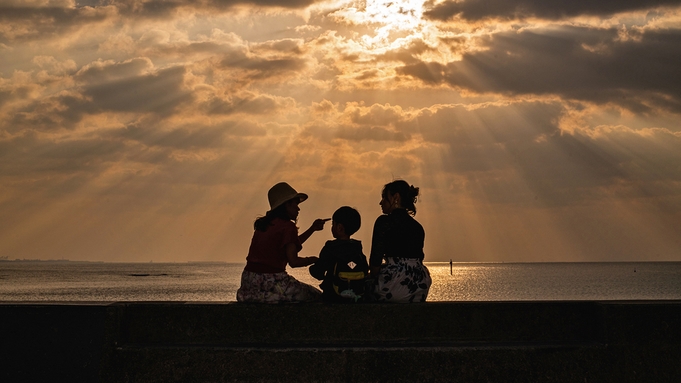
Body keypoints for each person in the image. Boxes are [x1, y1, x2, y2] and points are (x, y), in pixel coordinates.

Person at [236, 182, 327, 303]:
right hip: (272, 280)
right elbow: (293, 261)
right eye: (295, 203)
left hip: (249, 280)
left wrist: (312, 229)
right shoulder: (288, 226)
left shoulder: (264, 224)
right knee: (316, 296)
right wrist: (313, 260)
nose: (298, 208)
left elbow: (290, 244)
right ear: (286, 205)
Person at [369, 180, 431, 303]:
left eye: (384, 198)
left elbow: (375, 264)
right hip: (420, 285)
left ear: (395, 197)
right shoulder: (417, 227)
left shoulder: (384, 222)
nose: (381, 202)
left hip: (394, 285)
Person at [309, 206, 369, 303]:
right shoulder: (357, 248)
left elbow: (318, 272)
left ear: (339, 228)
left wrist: (312, 268)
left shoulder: (330, 248)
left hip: (333, 296)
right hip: (356, 296)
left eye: (333, 224)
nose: (332, 227)